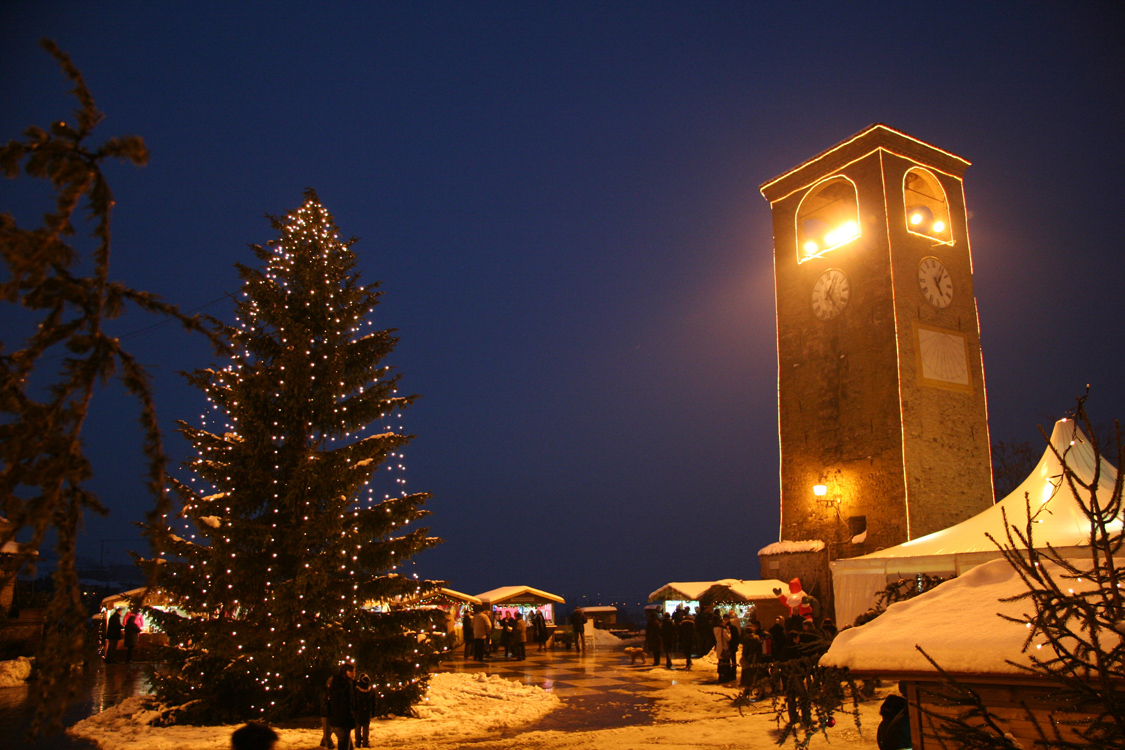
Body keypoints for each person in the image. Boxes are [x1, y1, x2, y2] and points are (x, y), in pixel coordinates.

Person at [328, 663, 356, 750]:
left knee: (347, 745)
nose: (353, 673)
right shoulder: (344, 685)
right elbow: (344, 704)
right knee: (344, 744)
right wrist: (350, 717)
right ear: (345, 672)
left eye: (354, 671)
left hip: (339, 720)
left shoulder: (340, 683)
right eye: (351, 671)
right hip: (342, 720)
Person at [353, 673, 373, 748]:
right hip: (367, 711)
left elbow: (353, 700)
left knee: (357, 727)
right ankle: (365, 742)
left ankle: (357, 742)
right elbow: (373, 701)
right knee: (365, 727)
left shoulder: (356, 689)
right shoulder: (371, 689)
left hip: (358, 711)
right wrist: (372, 710)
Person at [713, 611, 732, 681]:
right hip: (724, 647)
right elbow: (728, 638)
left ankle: (720, 674)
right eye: (723, 622)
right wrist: (728, 631)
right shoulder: (723, 630)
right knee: (725, 661)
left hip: (719, 646)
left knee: (720, 661)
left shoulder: (715, 629)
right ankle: (725, 675)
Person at [319, 676, 335, 749]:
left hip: (331, 712)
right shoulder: (325, 693)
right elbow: (324, 702)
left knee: (330, 729)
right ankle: (329, 744)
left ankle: (323, 741)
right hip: (325, 713)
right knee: (327, 729)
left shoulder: (334, 693)